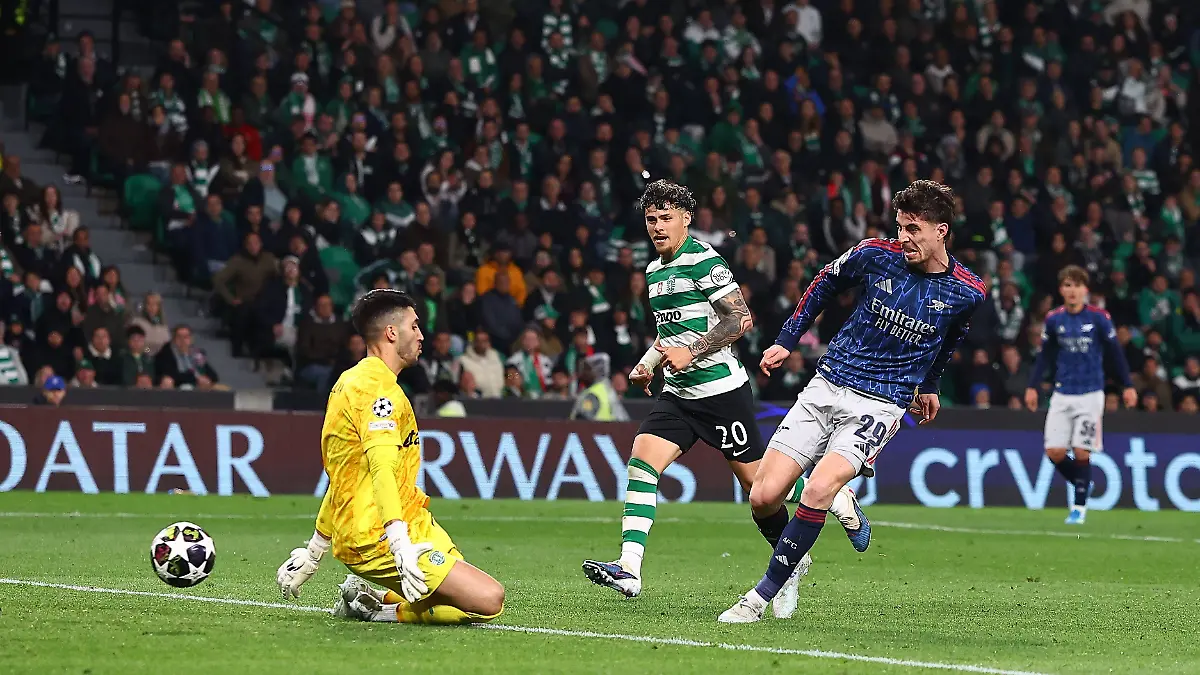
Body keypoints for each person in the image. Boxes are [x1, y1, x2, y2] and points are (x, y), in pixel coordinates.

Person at [581, 180, 867, 619]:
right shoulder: (654, 271)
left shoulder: (703, 261)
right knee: (642, 461)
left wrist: (692, 351)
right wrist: (647, 363)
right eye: (651, 219)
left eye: (666, 218)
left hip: (720, 393)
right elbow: (669, 335)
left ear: (686, 219)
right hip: (679, 395)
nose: (657, 227)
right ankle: (630, 567)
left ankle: (827, 504)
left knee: (760, 491)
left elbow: (740, 318)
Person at [718, 180, 986, 623]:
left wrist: (930, 384)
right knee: (762, 496)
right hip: (828, 383)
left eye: (914, 229)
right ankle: (795, 559)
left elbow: (950, 338)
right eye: (900, 227)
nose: (904, 237)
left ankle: (758, 598)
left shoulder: (968, 291)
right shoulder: (873, 254)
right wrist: (787, 339)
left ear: (941, 231)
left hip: (881, 402)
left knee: (818, 488)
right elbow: (824, 283)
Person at [275, 289, 505, 625]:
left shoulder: (352, 381)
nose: (421, 335)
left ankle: (369, 597)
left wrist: (315, 552)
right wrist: (398, 543)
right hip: (377, 535)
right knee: (487, 600)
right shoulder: (377, 391)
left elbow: (345, 475)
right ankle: (380, 611)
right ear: (392, 333)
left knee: (457, 597)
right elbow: (380, 467)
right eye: (414, 326)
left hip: (412, 520)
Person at [1024, 266, 1137, 525]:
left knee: (1081, 450)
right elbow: (1044, 357)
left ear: (1085, 289)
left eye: (1076, 285)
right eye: (1067, 285)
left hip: (1090, 394)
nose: (1072, 290)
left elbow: (1115, 353)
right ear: (1061, 290)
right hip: (1062, 392)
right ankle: (1083, 483)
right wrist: (1032, 386)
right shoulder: (1054, 319)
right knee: (1054, 451)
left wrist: (1128, 385)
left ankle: (1078, 508)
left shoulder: (1099, 318)